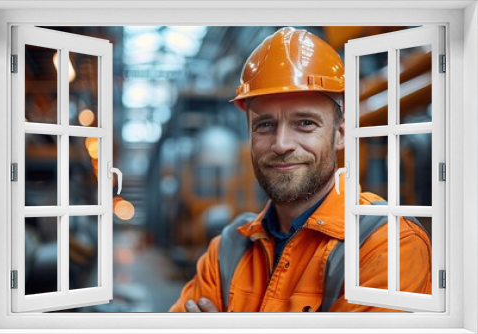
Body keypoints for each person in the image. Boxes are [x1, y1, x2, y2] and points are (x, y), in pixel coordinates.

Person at [169, 27, 431, 312]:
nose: (281, 144)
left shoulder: (387, 245)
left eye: (305, 123)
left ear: (341, 133)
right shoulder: (225, 252)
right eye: (265, 125)